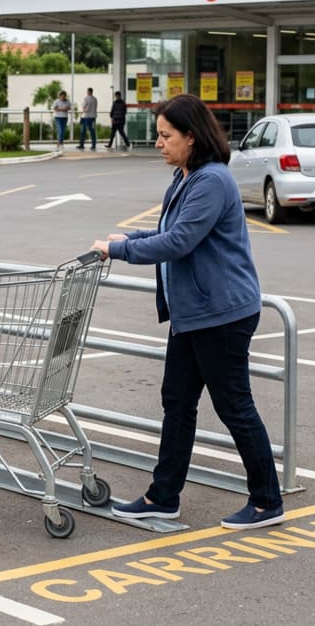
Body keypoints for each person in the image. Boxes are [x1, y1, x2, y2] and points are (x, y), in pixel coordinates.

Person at [90, 93, 284, 531]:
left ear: (191, 138)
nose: (158, 143)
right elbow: (169, 231)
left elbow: (179, 242)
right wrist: (130, 235)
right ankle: (163, 496)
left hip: (222, 313)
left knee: (234, 405)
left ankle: (267, 500)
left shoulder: (212, 180)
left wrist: (119, 250)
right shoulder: (186, 176)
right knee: (177, 403)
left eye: (165, 136)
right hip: (193, 314)